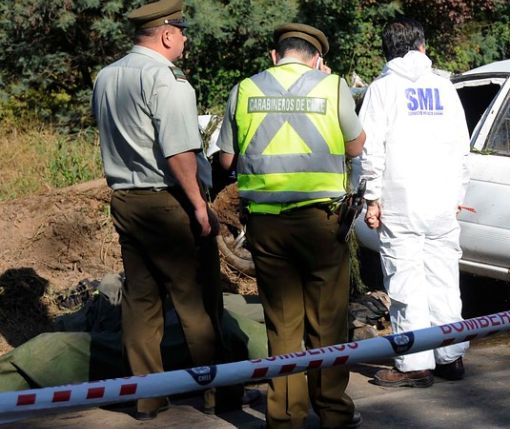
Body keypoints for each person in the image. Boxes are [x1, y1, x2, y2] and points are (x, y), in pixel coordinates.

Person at [217, 23, 366, 429]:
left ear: (274, 56)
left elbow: (226, 161)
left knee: (282, 324)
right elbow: (356, 147)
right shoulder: (332, 86)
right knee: (329, 320)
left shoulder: (244, 90)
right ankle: (333, 409)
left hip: (266, 226)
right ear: (317, 58)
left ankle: (285, 416)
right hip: (322, 223)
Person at [91, 0, 224, 421]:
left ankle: (148, 396)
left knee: (141, 300)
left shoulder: (107, 76)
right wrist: (199, 206)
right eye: (182, 30)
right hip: (169, 201)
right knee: (196, 299)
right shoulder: (169, 81)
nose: (185, 38)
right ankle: (215, 393)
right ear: (167, 35)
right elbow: (180, 152)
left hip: (126, 199)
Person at [359, 17, 471, 388]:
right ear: (421, 47)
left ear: (388, 50)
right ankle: (450, 356)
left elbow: (370, 150)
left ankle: (415, 364)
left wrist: (372, 197)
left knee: (406, 284)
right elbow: (461, 148)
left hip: (401, 203)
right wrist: (458, 195)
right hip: (441, 202)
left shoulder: (382, 90)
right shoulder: (445, 87)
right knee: (444, 279)